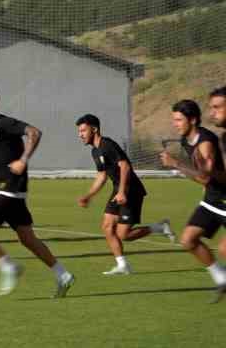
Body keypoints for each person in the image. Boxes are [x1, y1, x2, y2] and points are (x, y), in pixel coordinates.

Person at [0, 85, 74, 297]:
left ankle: (8, 266)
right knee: (27, 239)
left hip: (10, 188)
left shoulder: (5, 123)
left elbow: (34, 132)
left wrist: (23, 160)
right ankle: (63, 275)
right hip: (8, 192)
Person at [76, 114, 174, 275]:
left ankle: (159, 227)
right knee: (107, 227)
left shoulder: (107, 144)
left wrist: (122, 191)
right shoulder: (95, 151)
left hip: (131, 191)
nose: (80, 134)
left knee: (124, 235)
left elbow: (125, 166)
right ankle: (123, 265)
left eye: (83, 130)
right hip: (118, 190)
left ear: (94, 129)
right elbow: (102, 176)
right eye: (79, 131)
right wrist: (89, 195)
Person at [160, 91, 226, 303]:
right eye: (174, 119)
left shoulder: (206, 142)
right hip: (212, 199)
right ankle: (221, 277)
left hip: (223, 199)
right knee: (188, 240)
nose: (176, 124)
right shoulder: (185, 140)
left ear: (193, 120)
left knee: (224, 249)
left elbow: (206, 177)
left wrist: (176, 164)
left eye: (179, 119)